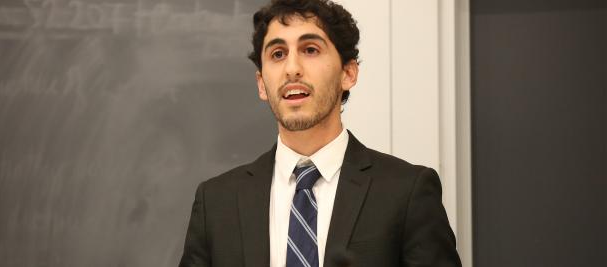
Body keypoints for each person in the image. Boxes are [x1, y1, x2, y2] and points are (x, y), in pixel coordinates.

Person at [180, 0, 462, 266]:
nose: (292, 69)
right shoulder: (216, 202)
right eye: (278, 54)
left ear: (348, 74)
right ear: (261, 84)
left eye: (310, 50)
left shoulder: (406, 192)